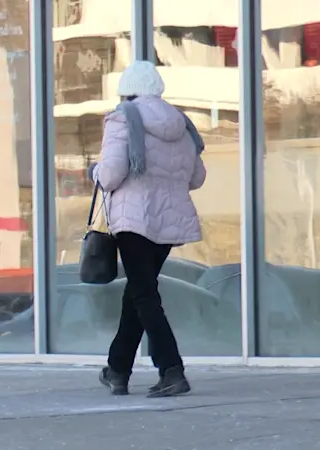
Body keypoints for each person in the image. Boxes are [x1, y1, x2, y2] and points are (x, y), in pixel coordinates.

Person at [88, 60, 206, 398]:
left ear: (128, 91)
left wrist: (95, 171)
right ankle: (117, 369)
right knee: (138, 293)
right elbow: (196, 178)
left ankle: (171, 369)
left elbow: (110, 175)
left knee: (143, 295)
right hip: (168, 220)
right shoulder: (181, 124)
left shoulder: (123, 117)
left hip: (133, 219)